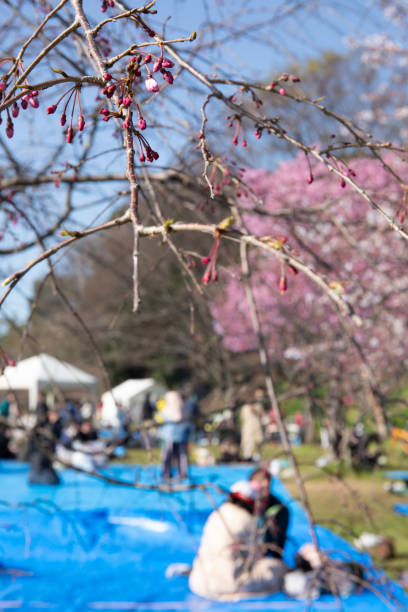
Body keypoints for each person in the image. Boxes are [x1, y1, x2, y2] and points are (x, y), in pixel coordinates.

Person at [189, 480, 287, 600]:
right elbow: (255, 557)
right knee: (276, 567)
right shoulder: (247, 521)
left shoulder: (216, 514)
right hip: (230, 585)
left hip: (199, 583)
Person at [249, 467, 289, 560]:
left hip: (268, 555)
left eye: (267, 480)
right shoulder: (243, 503)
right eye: (260, 480)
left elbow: (277, 541)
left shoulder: (280, 509)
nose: (265, 484)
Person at [240, 388, 266, 462]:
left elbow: (258, 412)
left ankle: (258, 457)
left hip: (256, 426)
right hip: (248, 427)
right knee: (248, 443)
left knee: (258, 442)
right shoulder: (245, 407)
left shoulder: (258, 405)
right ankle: (247, 457)